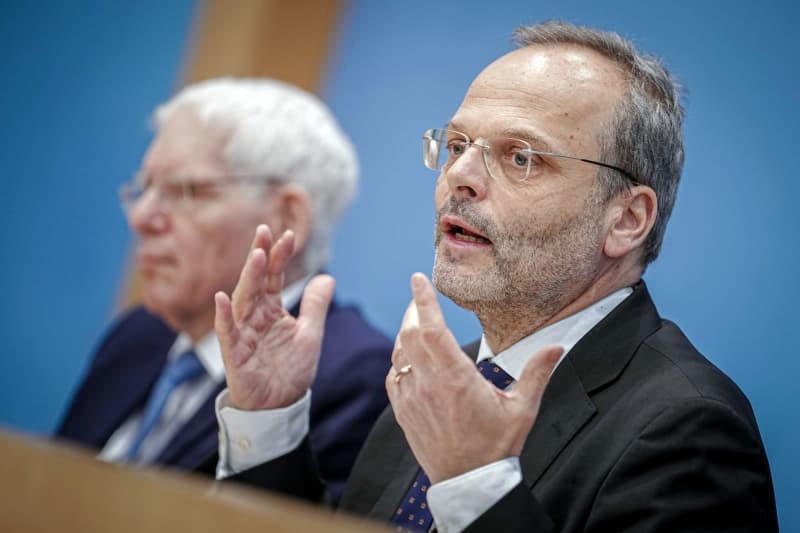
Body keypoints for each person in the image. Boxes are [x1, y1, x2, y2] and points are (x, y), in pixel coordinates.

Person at [211, 23, 778, 532]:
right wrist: (266, 421)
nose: (459, 176)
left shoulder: (688, 429)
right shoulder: (439, 384)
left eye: (521, 157)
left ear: (626, 220)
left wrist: (475, 487)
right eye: (457, 145)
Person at [56, 78, 393, 504]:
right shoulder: (137, 335)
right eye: (144, 189)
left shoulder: (356, 378)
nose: (141, 217)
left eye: (185, 191)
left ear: (286, 217)